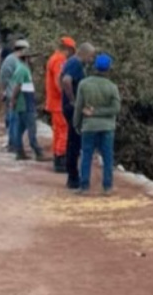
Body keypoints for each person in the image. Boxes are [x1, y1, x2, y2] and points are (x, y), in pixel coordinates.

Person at [74, 53, 121, 196]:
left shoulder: (84, 84)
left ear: (95, 67)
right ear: (109, 69)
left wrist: (77, 123)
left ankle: (84, 186)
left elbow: (78, 106)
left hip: (89, 126)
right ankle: (107, 187)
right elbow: (116, 109)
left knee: (86, 155)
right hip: (107, 127)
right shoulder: (112, 87)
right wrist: (100, 112)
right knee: (107, 157)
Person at [60, 42, 95, 189]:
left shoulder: (71, 62)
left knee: (73, 140)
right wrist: (73, 100)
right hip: (71, 107)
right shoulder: (76, 63)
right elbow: (66, 80)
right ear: (85, 54)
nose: (92, 60)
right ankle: (73, 177)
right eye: (91, 56)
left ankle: (73, 175)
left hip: (68, 106)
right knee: (74, 141)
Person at [45, 36, 76, 172]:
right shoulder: (59, 60)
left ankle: (57, 157)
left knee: (58, 130)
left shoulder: (54, 58)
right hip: (58, 102)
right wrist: (67, 96)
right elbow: (59, 81)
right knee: (63, 130)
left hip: (53, 101)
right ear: (68, 49)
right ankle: (60, 158)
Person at [0, 38, 25, 153]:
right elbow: (4, 77)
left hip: (17, 93)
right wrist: (6, 91)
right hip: (13, 93)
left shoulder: (18, 60)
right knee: (14, 120)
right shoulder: (11, 60)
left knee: (15, 120)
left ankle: (14, 143)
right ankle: (14, 144)